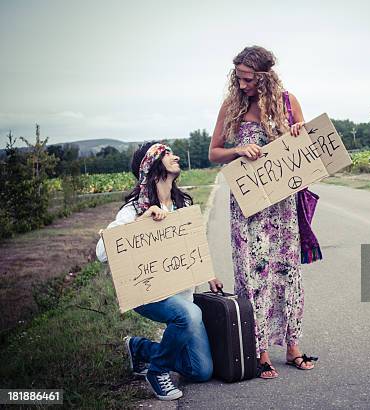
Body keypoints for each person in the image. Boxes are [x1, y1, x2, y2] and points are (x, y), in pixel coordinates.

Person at [209, 45, 318, 379]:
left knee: (286, 271)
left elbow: (308, 147)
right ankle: (259, 351)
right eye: (238, 78)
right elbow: (214, 153)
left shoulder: (288, 102)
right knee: (252, 274)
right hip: (248, 206)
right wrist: (237, 150)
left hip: (282, 205)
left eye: (247, 79)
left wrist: (298, 133)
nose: (242, 85)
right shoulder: (232, 106)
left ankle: (292, 347)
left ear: (264, 76)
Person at [96, 142, 223, 400]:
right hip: (148, 296)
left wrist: (208, 273)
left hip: (181, 297)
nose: (175, 156)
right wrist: (140, 222)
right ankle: (158, 370)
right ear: (152, 166)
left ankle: (141, 348)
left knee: (200, 371)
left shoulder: (182, 203)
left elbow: (192, 249)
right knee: (189, 314)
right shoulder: (134, 209)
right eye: (167, 154)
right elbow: (101, 252)